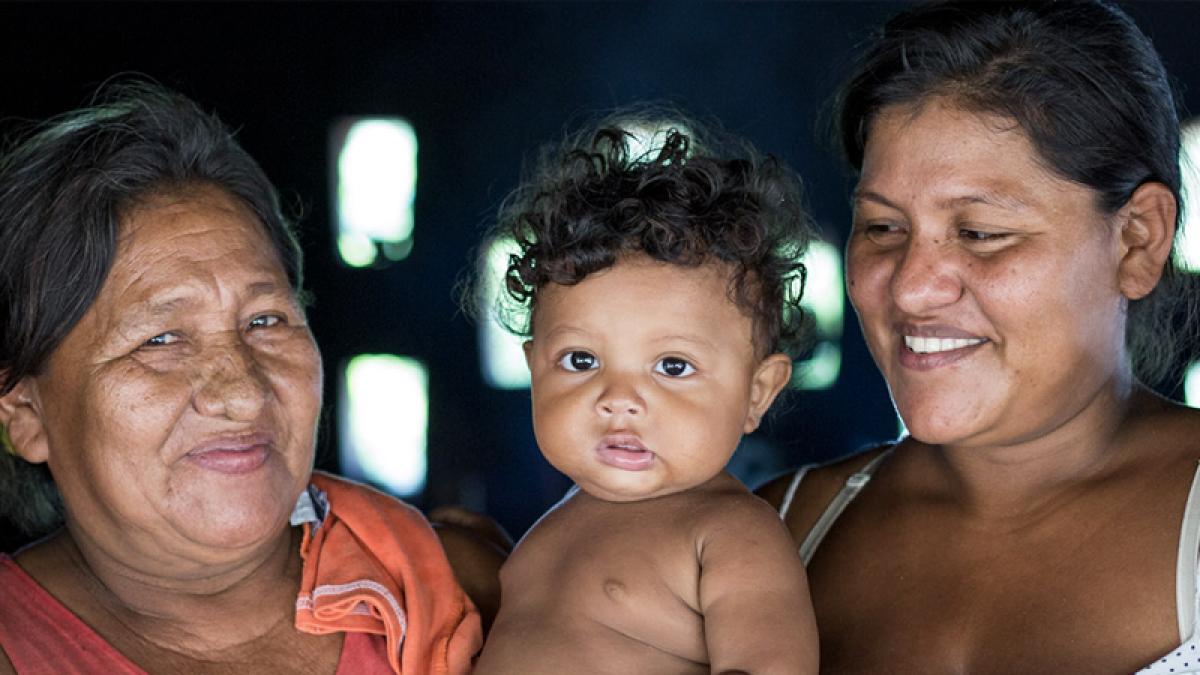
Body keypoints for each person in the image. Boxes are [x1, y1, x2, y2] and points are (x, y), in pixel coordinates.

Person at [757, 1, 1200, 672]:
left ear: (1137, 239)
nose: (909, 288)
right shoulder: (778, 533)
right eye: (882, 228)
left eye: (980, 233)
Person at [0, 81, 482, 674]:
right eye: (160, 339)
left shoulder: (450, 593)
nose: (243, 393)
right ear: (25, 412)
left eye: (264, 320)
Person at [472, 118, 820, 674]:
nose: (619, 398)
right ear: (535, 371)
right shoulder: (550, 530)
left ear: (758, 392)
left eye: (673, 366)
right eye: (581, 361)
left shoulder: (730, 533)